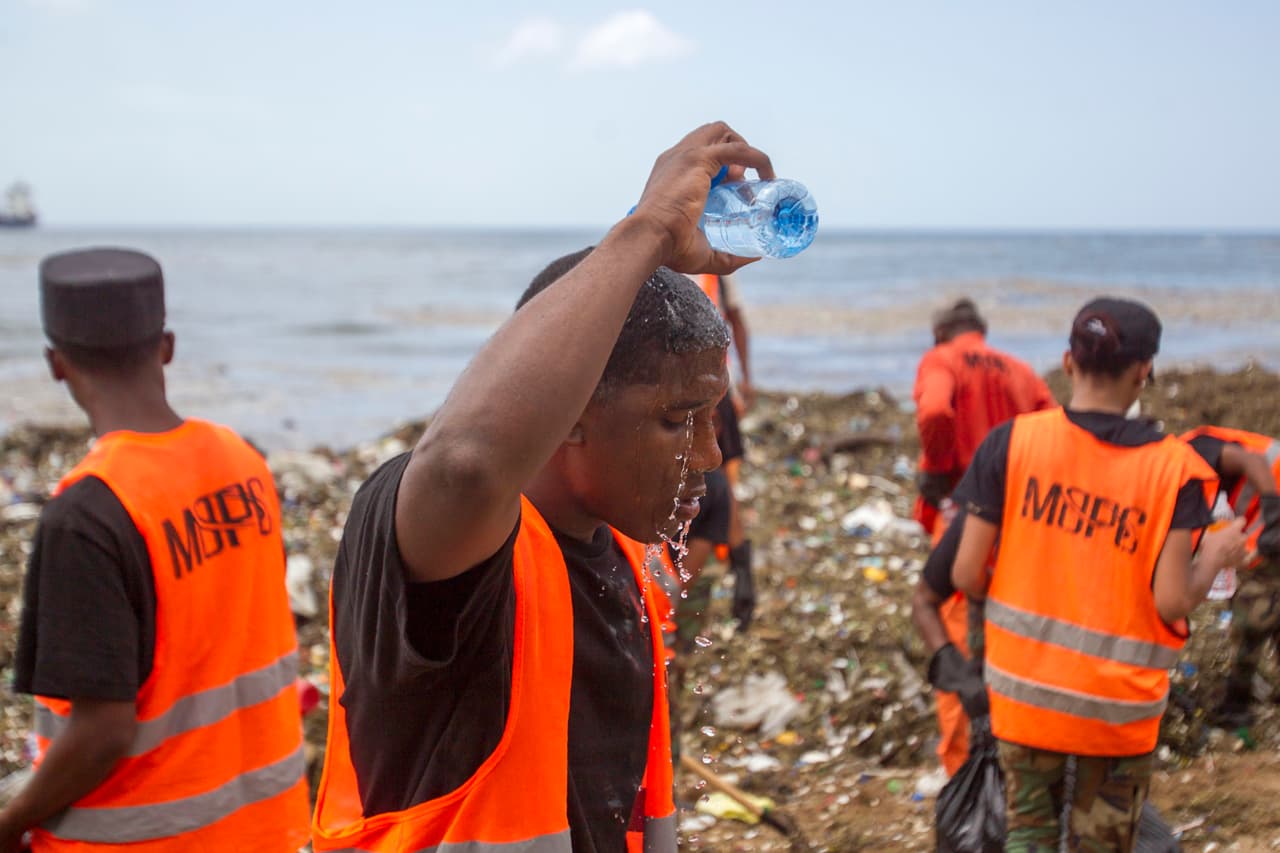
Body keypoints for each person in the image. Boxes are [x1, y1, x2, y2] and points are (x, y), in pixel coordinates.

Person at [310, 123, 774, 853]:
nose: (711, 455)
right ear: (570, 416)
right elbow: (466, 462)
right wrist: (646, 229)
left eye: (714, 419)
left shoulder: (619, 555)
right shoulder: (448, 551)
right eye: (679, 419)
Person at [0, 249, 310, 853]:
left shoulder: (87, 516)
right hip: (268, 826)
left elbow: (102, 732)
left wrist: (10, 825)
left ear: (56, 364)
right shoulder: (243, 462)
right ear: (166, 346)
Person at [950, 296, 1249, 851]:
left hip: (1022, 697)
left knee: (1029, 835)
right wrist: (1217, 555)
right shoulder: (1176, 470)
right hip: (1116, 710)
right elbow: (1172, 602)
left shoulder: (1012, 443)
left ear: (1068, 362)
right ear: (1144, 371)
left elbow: (967, 571)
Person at [911, 298, 1056, 776]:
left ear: (939, 334)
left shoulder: (942, 359)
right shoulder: (1020, 369)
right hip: (1022, 522)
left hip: (965, 519)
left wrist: (936, 469)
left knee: (958, 646)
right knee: (1017, 641)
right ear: (982, 331)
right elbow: (1059, 432)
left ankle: (965, 775)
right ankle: (1020, 763)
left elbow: (934, 411)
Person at [1180, 426, 1280, 727]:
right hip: (1266, 515)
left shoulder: (1189, 452)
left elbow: (1253, 462)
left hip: (1273, 508)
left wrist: (1274, 515)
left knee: (1253, 610)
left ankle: (1236, 704)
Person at [692, 271, 756, 630]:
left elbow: (737, 321)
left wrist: (744, 378)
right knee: (720, 485)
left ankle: (741, 577)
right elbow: (737, 320)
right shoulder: (712, 262)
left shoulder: (714, 266)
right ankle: (740, 576)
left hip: (714, 386)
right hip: (711, 385)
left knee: (721, 485)